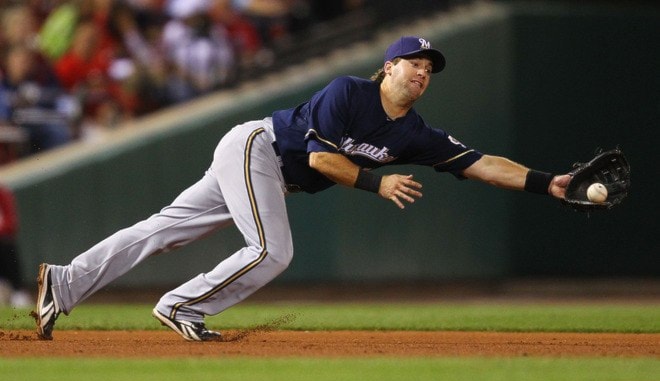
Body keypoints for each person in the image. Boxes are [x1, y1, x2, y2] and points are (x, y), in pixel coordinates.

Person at [35, 36, 571, 341]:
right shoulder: (348, 93)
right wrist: (376, 184)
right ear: (388, 67)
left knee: (164, 230)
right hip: (257, 150)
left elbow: (480, 163)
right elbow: (319, 156)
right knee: (272, 251)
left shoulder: (415, 133)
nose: (422, 74)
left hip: (269, 170)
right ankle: (182, 306)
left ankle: (63, 281)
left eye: (429, 69)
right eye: (414, 63)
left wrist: (548, 185)